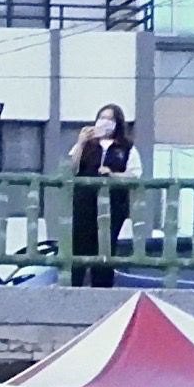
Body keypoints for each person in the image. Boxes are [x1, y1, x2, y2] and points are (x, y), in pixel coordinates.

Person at [70, 103, 141, 287]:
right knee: (78, 248)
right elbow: (71, 168)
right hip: (84, 204)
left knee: (105, 250)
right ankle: (74, 286)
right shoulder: (88, 145)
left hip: (113, 207)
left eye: (110, 119)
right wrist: (81, 142)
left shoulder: (127, 148)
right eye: (102, 117)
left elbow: (134, 176)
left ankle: (102, 287)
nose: (104, 122)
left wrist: (113, 174)